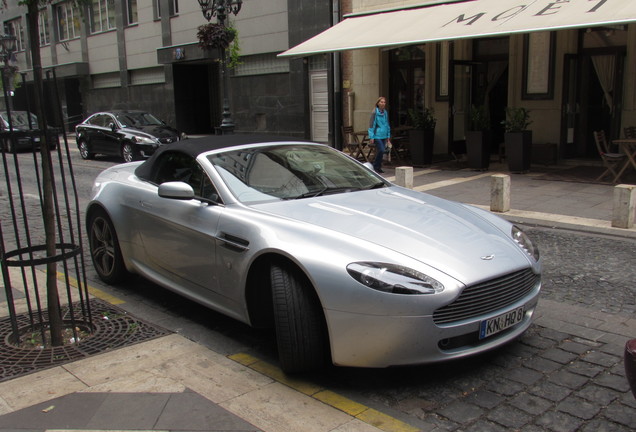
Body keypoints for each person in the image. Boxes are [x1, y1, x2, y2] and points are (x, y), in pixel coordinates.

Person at [368, 96, 392, 173]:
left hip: (384, 135)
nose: (383, 103)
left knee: (382, 151)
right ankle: (375, 166)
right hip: (377, 135)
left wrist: (388, 136)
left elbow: (387, 124)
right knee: (381, 150)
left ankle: (378, 166)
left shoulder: (385, 112)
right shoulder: (374, 112)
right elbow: (371, 125)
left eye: (384, 102)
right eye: (381, 102)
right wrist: (371, 136)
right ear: (378, 103)